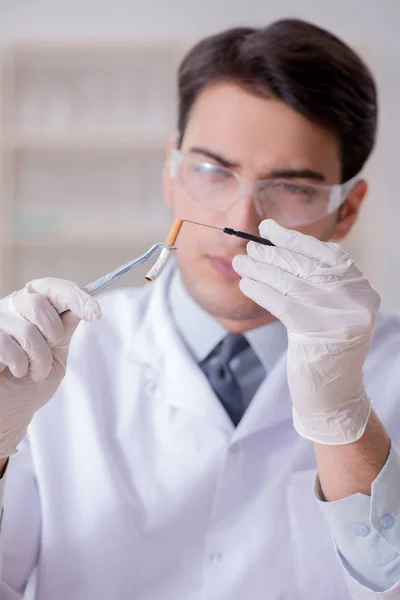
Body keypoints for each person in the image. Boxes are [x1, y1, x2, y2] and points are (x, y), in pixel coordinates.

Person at [0, 18, 400, 600]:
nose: (240, 226)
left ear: (348, 209)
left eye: (292, 187)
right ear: (172, 170)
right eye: (212, 170)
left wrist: (345, 423)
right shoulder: (55, 361)